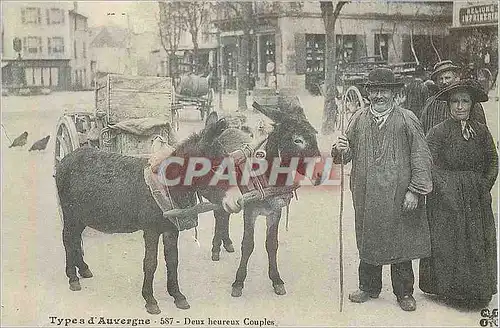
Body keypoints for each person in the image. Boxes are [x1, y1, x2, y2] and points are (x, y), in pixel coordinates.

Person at [331, 68, 433, 312]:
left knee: (401, 241)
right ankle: (369, 286)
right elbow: (346, 154)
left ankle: (404, 292)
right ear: (368, 93)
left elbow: (421, 156)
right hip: (367, 194)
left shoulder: (407, 119)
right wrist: (340, 149)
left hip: (399, 196)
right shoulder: (357, 119)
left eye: (384, 91)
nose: (379, 96)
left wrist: (415, 191)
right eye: (375, 91)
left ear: (394, 93)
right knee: (369, 237)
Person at [419, 79, 498, 307]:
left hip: (475, 198)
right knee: (450, 243)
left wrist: (483, 185)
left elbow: (493, 161)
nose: (460, 106)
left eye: (465, 101)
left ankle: (478, 291)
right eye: (455, 101)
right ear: (448, 105)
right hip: (446, 200)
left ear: (472, 105)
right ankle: (450, 292)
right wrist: (448, 189)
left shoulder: (481, 132)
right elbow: (427, 163)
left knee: (475, 242)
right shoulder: (438, 132)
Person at [419, 60, 487, 134]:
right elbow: (422, 127)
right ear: (436, 82)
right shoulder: (430, 102)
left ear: (456, 79)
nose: (444, 82)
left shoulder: (470, 101)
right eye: (440, 79)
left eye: (447, 78)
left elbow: (482, 132)